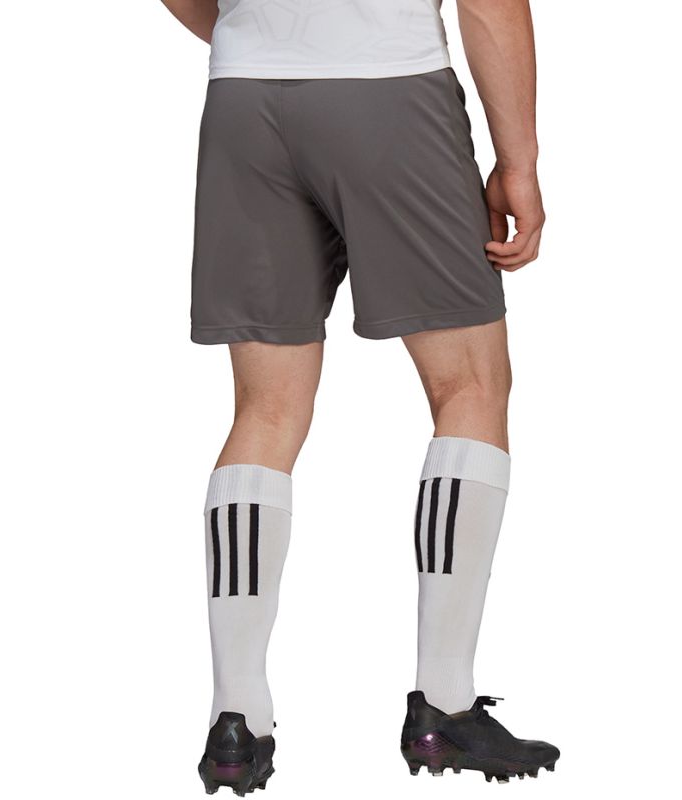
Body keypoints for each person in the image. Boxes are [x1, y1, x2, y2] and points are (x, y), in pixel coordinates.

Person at [162, 0, 559, 793]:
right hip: (390, 88)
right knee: (470, 386)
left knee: (265, 410)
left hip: (243, 99)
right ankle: (444, 704)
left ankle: (236, 719)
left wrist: (265, 33)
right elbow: (489, 4)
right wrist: (518, 160)